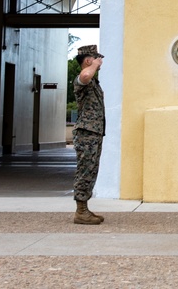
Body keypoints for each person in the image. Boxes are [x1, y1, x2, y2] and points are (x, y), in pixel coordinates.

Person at [72, 44, 106, 225]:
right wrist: (92, 65)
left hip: (93, 133)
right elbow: (85, 75)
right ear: (88, 59)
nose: (100, 62)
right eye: (96, 58)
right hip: (87, 133)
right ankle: (81, 211)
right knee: (85, 169)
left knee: (91, 169)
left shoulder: (93, 82)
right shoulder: (83, 78)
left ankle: (84, 208)